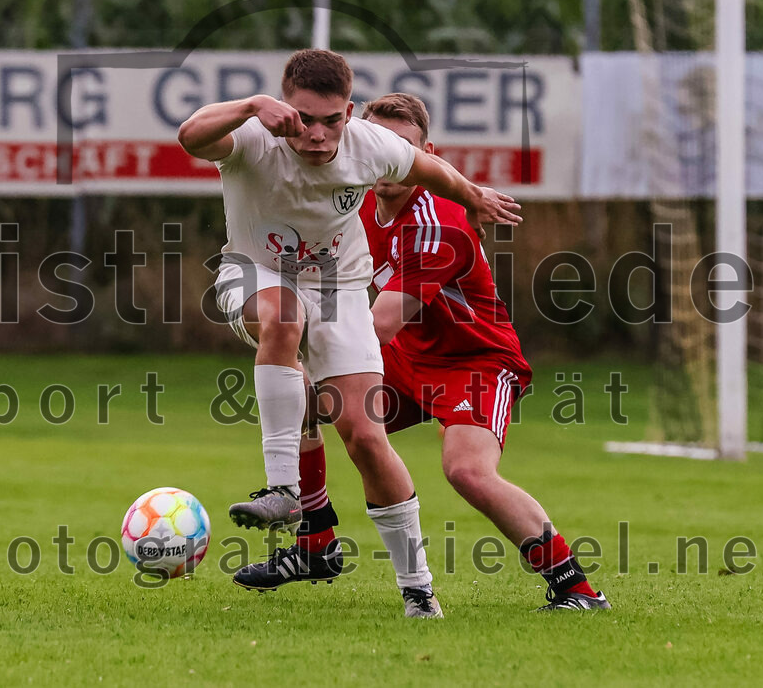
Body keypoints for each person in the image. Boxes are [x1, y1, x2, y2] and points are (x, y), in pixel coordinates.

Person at [232, 92, 610, 612]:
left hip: (473, 362)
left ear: (424, 152)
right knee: (306, 400)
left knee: (467, 471)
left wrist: (301, 333)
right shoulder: (356, 200)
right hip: (409, 361)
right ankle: (315, 543)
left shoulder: (437, 223)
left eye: (402, 147)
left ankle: (575, 587)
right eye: (380, 142)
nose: (387, 158)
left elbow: (379, 324)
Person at [178, 51, 521, 618]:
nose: (316, 133)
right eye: (303, 118)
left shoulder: (369, 145)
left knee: (364, 435)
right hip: (254, 272)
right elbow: (191, 135)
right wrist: (247, 107)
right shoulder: (254, 138)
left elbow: (429, 170)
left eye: (330, 120)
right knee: (283, 316)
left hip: (339, 289)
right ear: (284, 106)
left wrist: (474, 197)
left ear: (350, 113)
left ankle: (418, 590)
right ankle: (283, 491)